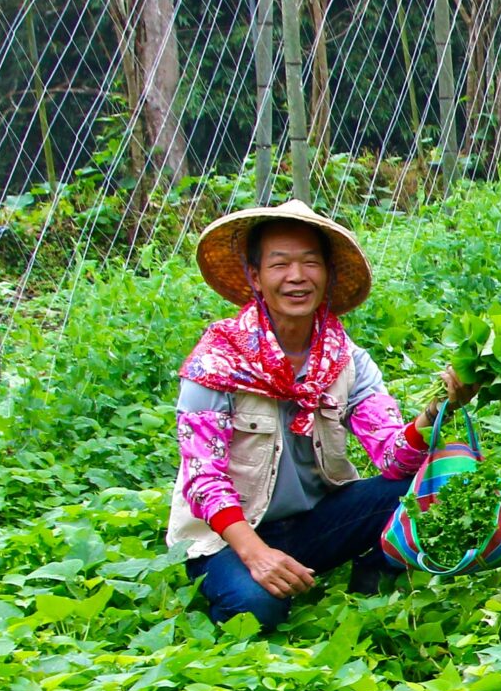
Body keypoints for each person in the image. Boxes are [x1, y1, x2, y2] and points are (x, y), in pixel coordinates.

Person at [167, 199, 473, 631]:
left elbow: (391, 456)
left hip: (313, 524)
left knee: (428, 487)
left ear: (326, 275)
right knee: (257, 611)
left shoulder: (346, 361)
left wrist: (440, 407)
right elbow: (204, 479)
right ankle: (246, 583)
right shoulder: (217, 363)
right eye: (280, 264)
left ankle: (374, 572)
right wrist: (256, 554)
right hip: (228, 538)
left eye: (310, 263)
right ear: (255, 276)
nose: (297, 277)